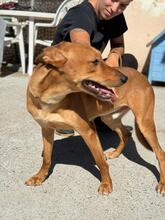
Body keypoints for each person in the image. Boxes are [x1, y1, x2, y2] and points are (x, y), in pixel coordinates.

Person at [52, 0, 135, 137]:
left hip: (88, 69)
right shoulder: (80, 14)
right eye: (113, 0)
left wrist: (113, 57)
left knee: (128, 61)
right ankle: (65, 116)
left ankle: (102, 118)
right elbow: (83, 51)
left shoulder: (115, 15)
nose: (115, 8)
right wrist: (104, 74)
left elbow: (118, 45)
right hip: (63, 77)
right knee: (89, 73)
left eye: (123, 5)